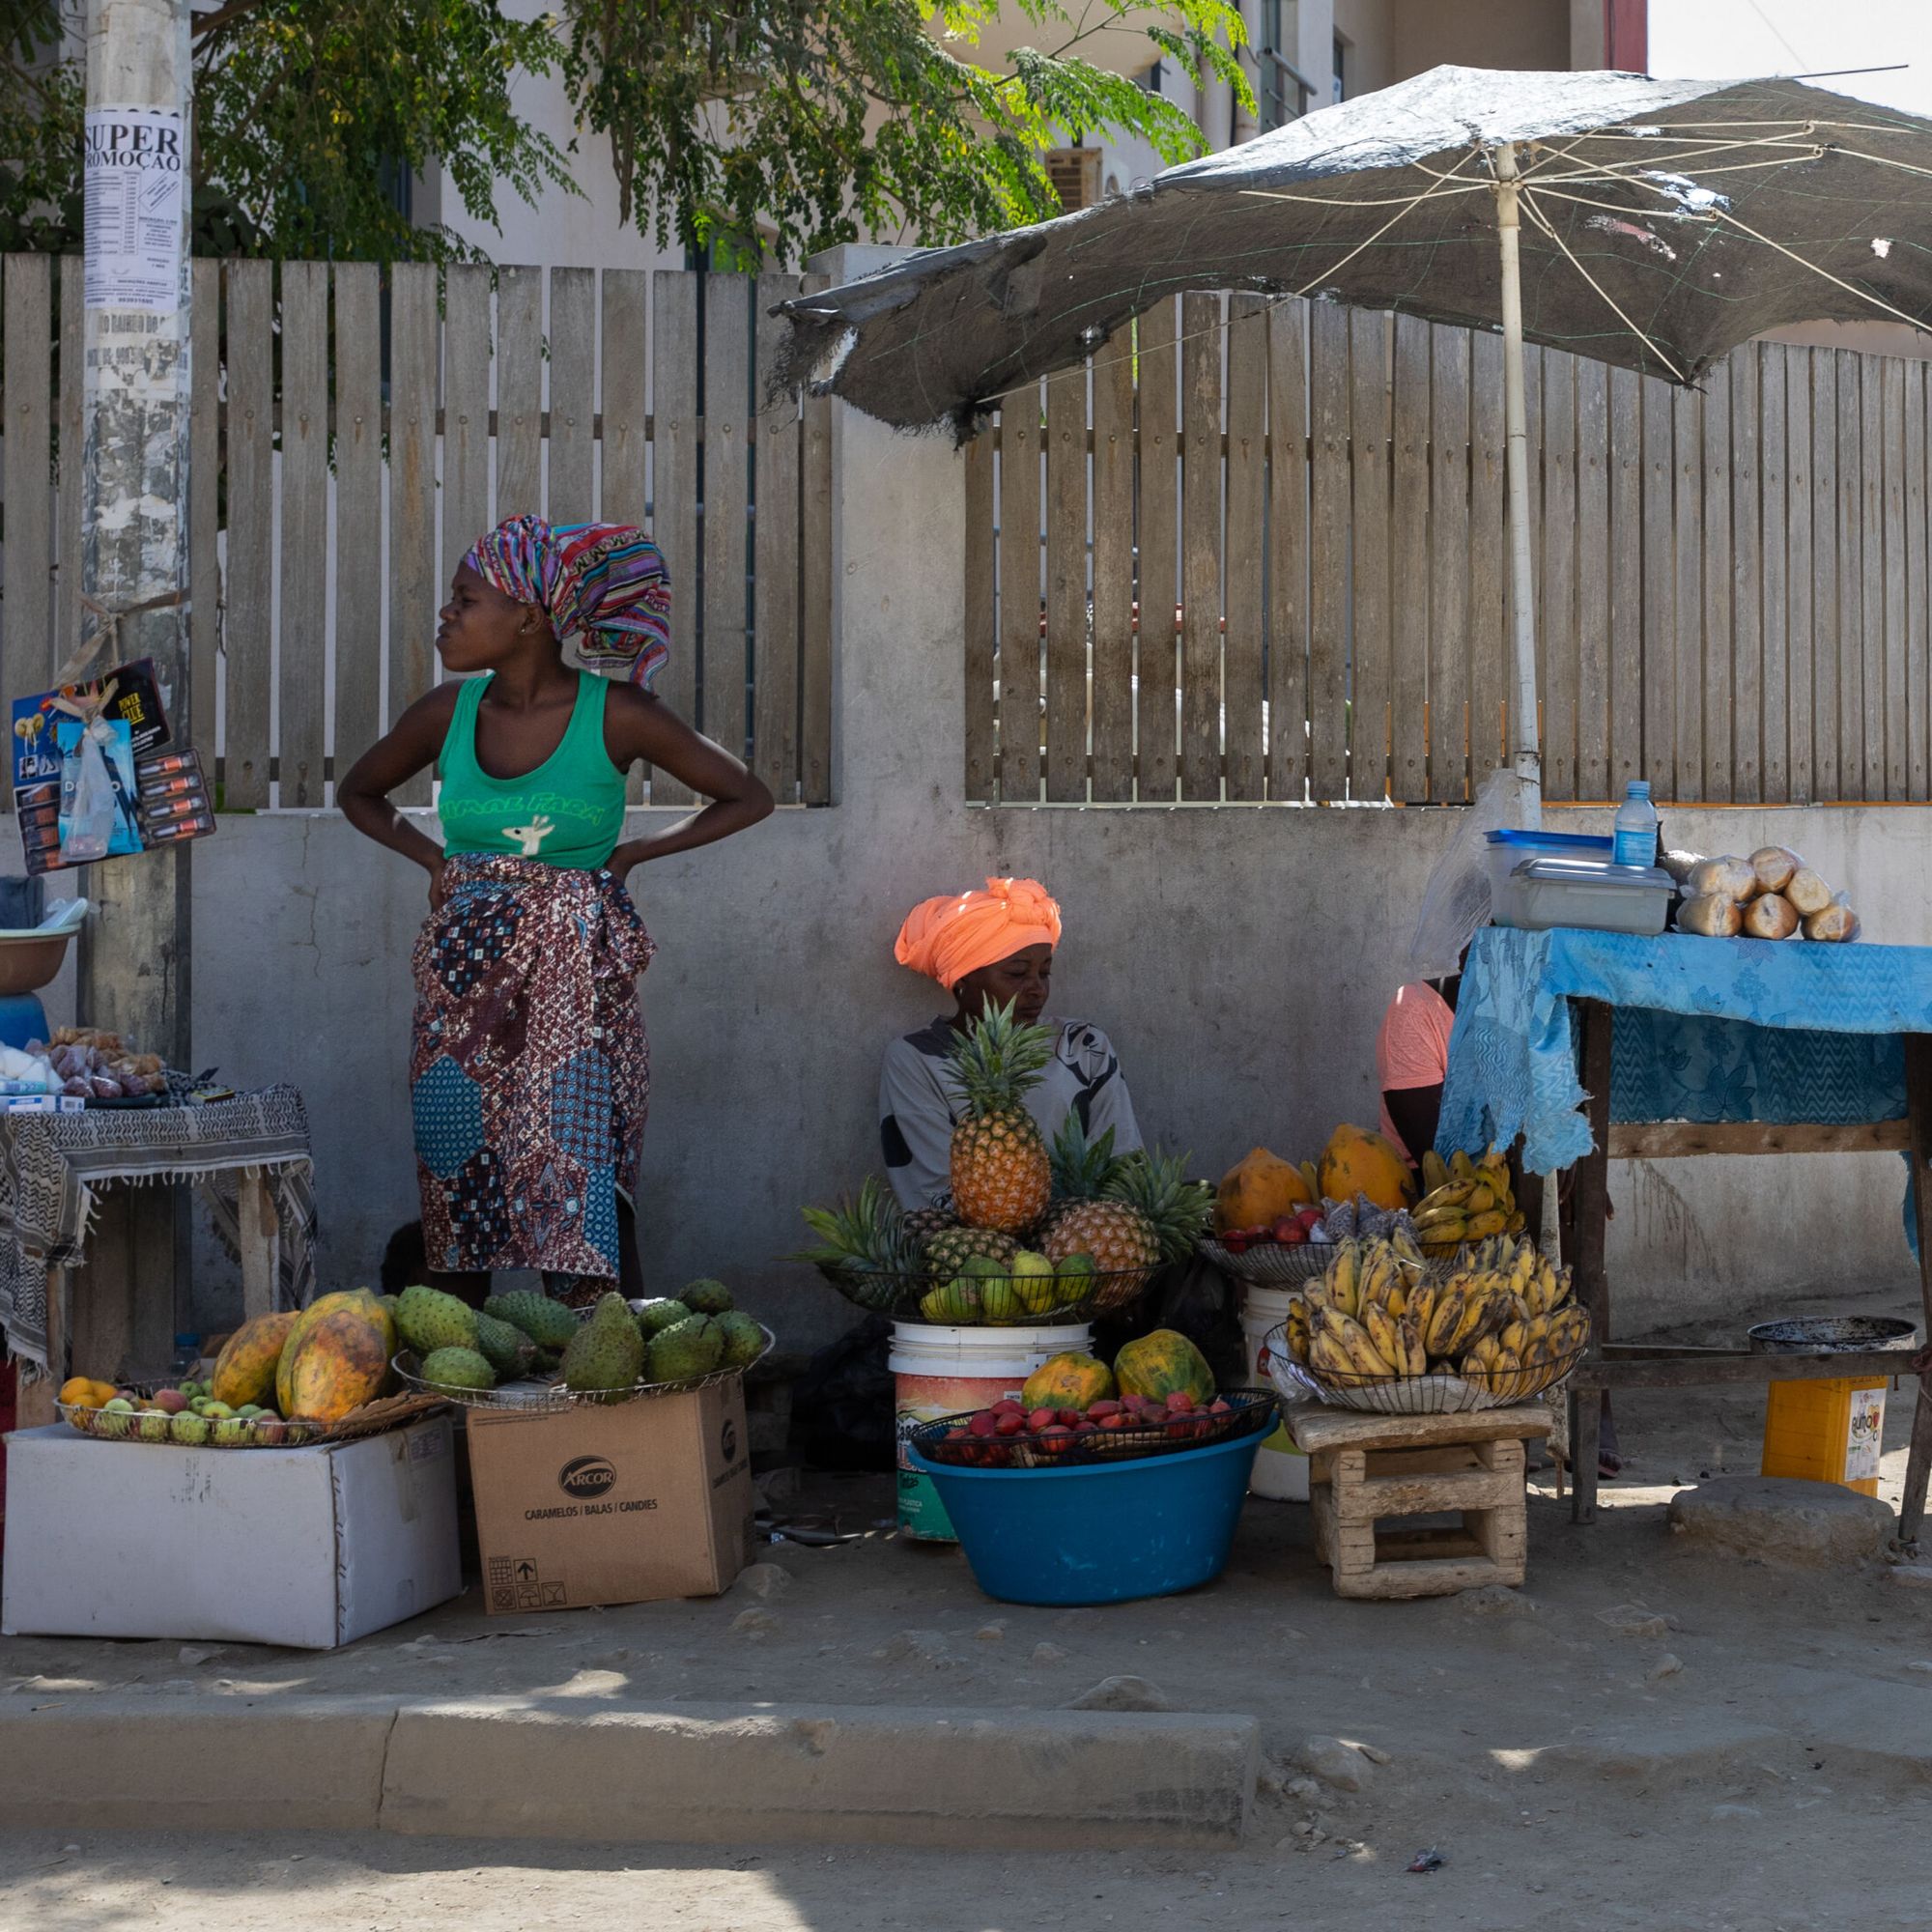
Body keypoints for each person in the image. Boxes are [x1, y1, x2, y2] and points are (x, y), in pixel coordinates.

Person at [340, 515, 772, 1307]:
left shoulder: (618, 713)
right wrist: (434, 860)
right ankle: (458, 1407)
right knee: (456, 1169)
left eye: (466, 599)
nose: (447, 615)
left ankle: (614, 1389)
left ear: (531, 618)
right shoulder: (448, 714)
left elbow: (747, 795)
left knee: (584, 1178)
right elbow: (358, 793)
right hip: (461, 996)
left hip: (580, 1002)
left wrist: (634, 853)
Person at [880, 877, 1140, 1210]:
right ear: (963, 979)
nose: (1037, 990)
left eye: (1044, 973)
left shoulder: (1083, 1045)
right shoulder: (916, 1058)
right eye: (1017, 974)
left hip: (1091, 1243)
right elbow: (931, 1190)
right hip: (973, 1250)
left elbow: (1124, 1161)